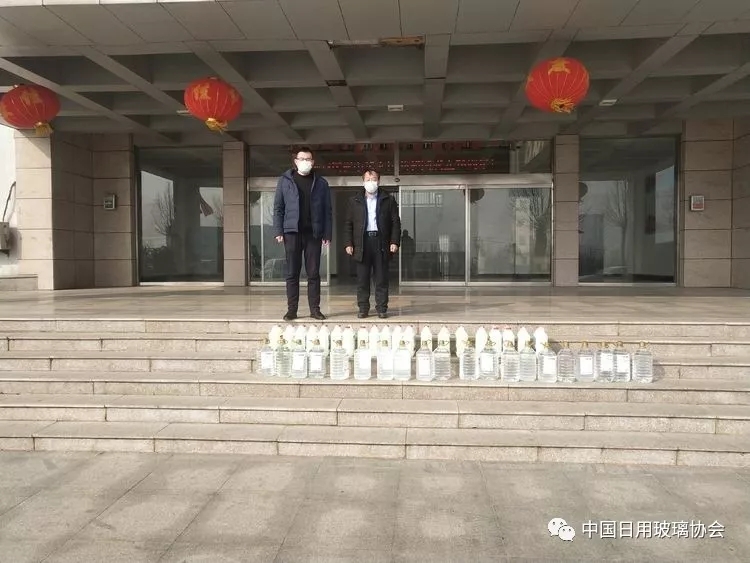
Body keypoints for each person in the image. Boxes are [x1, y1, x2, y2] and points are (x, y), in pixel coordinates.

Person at [273, 147, 331, 321]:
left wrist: (327, 233)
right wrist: (278, 230)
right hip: (292, 233)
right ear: (296, 161)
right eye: (302, 159)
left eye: (308, 159)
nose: (305, 162)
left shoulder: (321, 183)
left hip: (314, 233)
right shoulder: (285, 181)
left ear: (313, 162)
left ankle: (315, 310)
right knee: (292, 273)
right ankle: (292, 310)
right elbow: (278, 208)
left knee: (313, 273)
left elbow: (327, 211)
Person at [343, 169, 401, 319]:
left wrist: (394, 241)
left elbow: (395, 222)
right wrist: (348, 243)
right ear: (363, 182)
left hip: (381, 242)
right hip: (362, 243)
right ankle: (363, 308)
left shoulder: (388, 200)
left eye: (374, 179)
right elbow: (348, 223)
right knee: (362, 279)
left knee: (381, 278)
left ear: (378, 181)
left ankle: (382, 308)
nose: (371, 182)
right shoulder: (354, 201)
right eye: (368, 179)